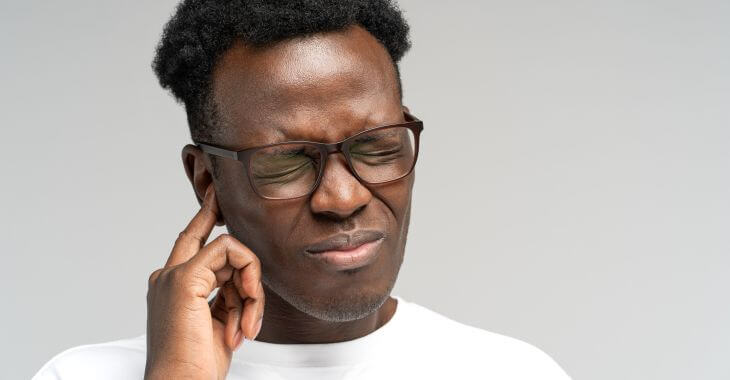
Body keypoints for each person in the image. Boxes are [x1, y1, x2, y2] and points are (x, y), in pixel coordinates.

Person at [33, 1, 571, 379]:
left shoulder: (512, 372)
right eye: (287, 161)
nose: (342, 198)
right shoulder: (80, 375)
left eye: (378, 146)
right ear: (206, 179)